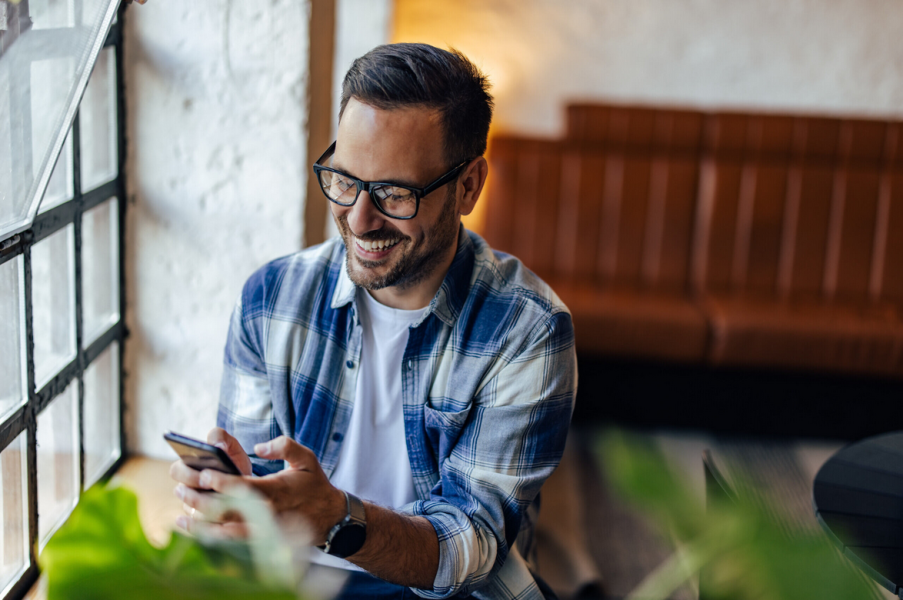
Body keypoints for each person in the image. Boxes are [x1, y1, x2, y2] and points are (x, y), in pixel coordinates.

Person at [170, 43, 576, 600]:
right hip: (293, 580)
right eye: (345, 179)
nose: (359, 219)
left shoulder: (527, 331)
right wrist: (230, 505)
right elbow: (262, 493)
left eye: (393, 193)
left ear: (468, 187)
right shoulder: (272, 298)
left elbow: (472, 545)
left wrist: (337, 520)